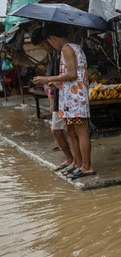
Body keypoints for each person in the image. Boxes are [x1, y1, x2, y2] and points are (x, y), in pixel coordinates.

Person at [32, 23, 95, 179]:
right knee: (73, 131)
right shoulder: (73, 48)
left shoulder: (67, 49)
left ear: (52, 38)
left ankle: (86, 166)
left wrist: (48, 79)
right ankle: (79, 164)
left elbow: (72, 74)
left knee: (81, 132)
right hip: (70, 97)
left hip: (75, 97)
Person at [31, 27, 74, 170]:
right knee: (57, 130)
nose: (43, 47)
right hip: (58, 97)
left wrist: (49, 80)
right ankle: (71, 159)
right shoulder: (54, 56)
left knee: (69, 130)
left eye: (44, 44)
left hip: (66, 96)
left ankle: (75, 161)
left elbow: (71, 75)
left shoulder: (64, 52)